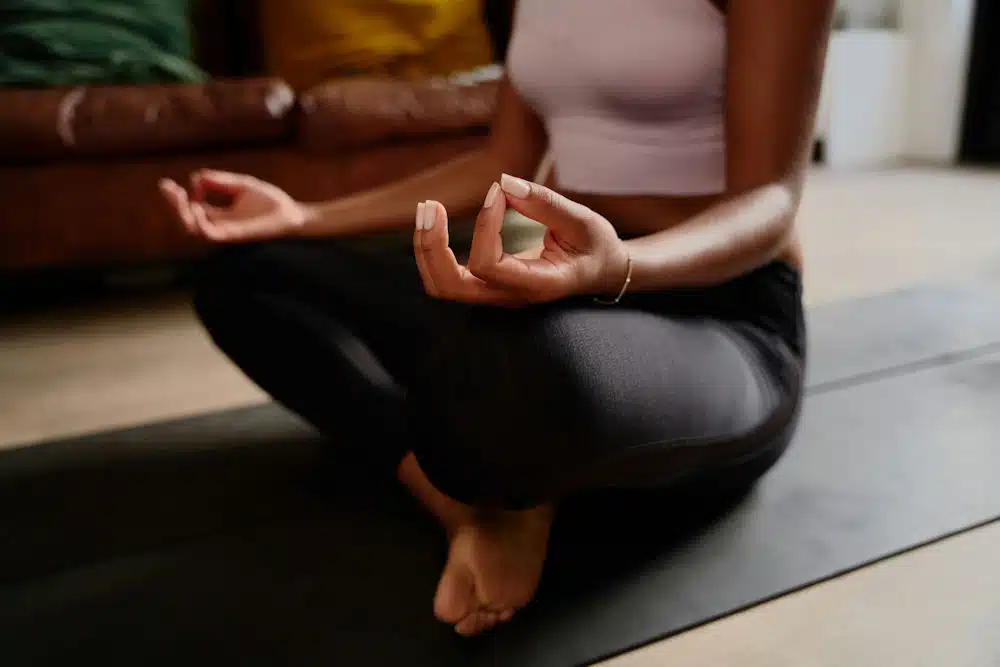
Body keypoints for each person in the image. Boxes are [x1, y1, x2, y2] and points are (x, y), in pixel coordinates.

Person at [160, 0, 834, 638]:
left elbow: (769, 201)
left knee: (516, 367)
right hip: (568, 286)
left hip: (724, 317)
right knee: (247, 270)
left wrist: (619, 265)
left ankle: (509, 465)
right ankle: (470, 505)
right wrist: (301, 217)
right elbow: (502, 163)